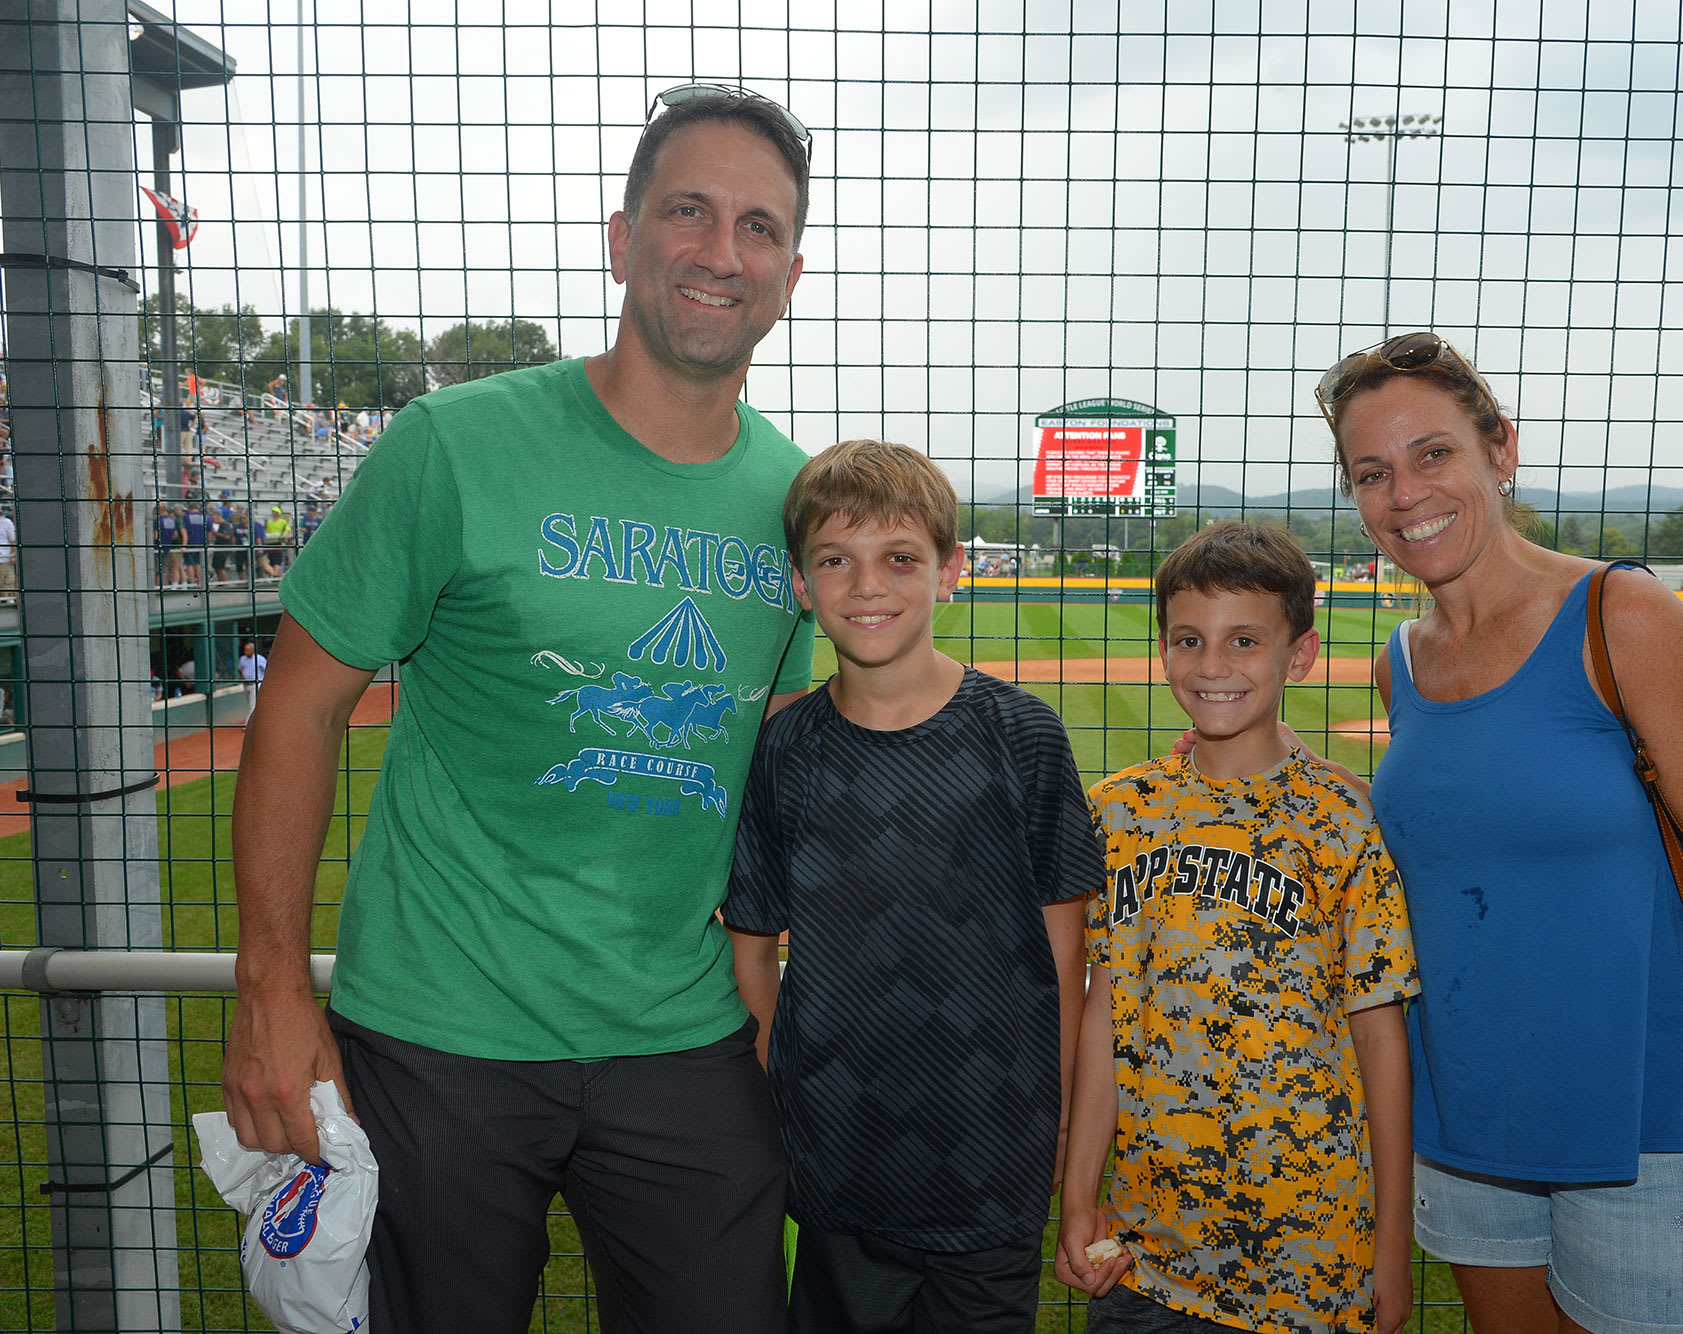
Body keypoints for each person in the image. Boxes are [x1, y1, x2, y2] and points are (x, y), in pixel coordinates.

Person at [220, 81, 817, 1332]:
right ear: (621, 238)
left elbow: (765, 754)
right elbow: (300, 705)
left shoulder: (796, 500)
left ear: (791, 273)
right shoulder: (453, 443)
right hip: (442, 1030)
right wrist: (272, 979)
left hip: (680, 1029)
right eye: (688, 212)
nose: (721, 252)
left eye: (758, 228)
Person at [1314, 331, 1683, 1333]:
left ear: (1499, 450)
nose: (1404, 493)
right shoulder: (1397, 665)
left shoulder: (1625, 617)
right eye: (1371, 472)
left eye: (1432, 453)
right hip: (1468, 1119)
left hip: (1647, 1121)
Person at [723, 439, 1097, 1333]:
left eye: (899, 558)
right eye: (835, 561)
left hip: (991, 1150)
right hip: (840, 1151)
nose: (868, 586)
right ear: (802, 584)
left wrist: (1051, 1114)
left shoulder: (1023, 736)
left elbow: (1064, 949)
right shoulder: (783, 751)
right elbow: (752, 946)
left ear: (949, 571)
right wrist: (786, 1097)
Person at [1057, 520, 1420, 1334]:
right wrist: (1079, 1195)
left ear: (1299, 655)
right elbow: (1104, 1018)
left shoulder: (1343, 825)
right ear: (1163, 648)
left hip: (1313, 1251)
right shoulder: (1121, 812)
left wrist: (1389, 1244)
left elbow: (1380, 1040)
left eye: (1245, 640)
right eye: (1189, 639)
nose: (1212, 666)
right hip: (1149, 1251)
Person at [237, 638, 267, 712]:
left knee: (253, 706)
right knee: (250, 704)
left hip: (256, 684)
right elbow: (240, 669)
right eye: (245, 650)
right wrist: (243, 676)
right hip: (246, 684)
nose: (245, 652)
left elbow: (266, 669)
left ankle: (250, 723)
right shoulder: (243, 658)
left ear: (252, 650)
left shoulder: (259, 658)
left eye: (247, 650)